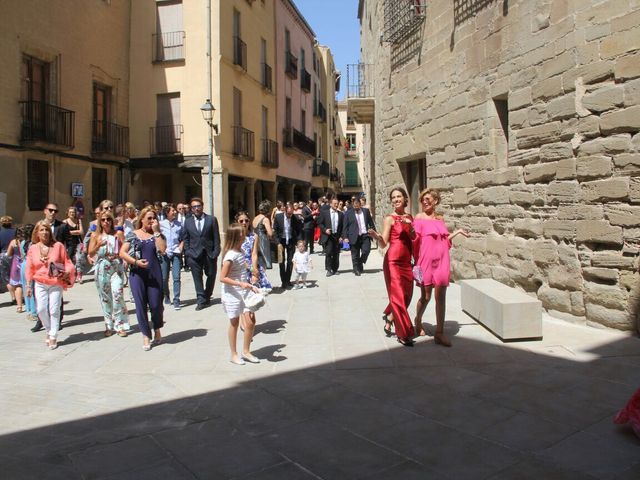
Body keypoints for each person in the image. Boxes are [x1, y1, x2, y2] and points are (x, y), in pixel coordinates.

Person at [412, 188, 468, 347]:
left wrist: (457, 232)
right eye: (423, 199)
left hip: (442, 260)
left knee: (440, 297)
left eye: (428, 199)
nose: (425, 202)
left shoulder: (440, 218)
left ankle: (439, 333)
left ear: (436, 201)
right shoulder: (419, 218)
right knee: (426, 297)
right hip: (425, 262)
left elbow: (442, 239)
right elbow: (415, 240)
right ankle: (418, 320)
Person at [368, 187, 416, 347]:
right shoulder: (390, 219)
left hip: (407, 261)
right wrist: (377, 237)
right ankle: (403, 334)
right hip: (393, 261)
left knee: (407, 295)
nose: (396, 199)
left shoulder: (410, 217)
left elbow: (415, 238)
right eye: (393, 197)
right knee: (398, 297)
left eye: (399, 196)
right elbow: (383, 244)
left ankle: (390, 318)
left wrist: (411, 227)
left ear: (405, 198)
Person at [119, 206, 166, 351]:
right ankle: (146, 334)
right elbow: (122, 252)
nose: (152, 221)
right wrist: (135, 262)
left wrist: (157, 231)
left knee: (156, 305)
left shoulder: (157, 235)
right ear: (142, 220)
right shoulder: (134, 234)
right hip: (137, 273)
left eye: (154, 218)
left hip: (154, 273)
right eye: (149, 218)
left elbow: (163, 250)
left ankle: (157, 327)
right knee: (140, 305)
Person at [25, 220, 75, 350]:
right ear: (37, 233)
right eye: (41, 230)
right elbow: (29, 268)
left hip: (55, 282)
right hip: (40, 282)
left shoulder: (58, 246)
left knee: (54, 309)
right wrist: (28, 285)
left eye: (47, 229)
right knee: (41, 309)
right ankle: (48, 329)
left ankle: (53, 334)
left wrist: (66, 272)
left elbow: (67, 262)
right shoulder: (33, 249)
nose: (45, 232)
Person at [219, 223, 261, 365]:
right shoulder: (230, 255)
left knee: (250, 322)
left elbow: (243, 266)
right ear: (236, 237)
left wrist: (252, 273)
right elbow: (222, 277)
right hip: (233, 292)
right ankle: (234, 354)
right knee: (234, 322)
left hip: (245, 290)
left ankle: (246, 351)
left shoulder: (240, 251)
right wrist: (240, 284)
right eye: (242, 234)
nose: (245, 236)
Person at [89, 211, 130, 337]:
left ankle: (120, 325)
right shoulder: (96, 235)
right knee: (105, 298)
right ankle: (108, 325)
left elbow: (126, 246)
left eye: (108, 219)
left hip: (116, 267)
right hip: (102, 268)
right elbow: (90, 252)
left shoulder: (117, 233)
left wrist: (126, 259)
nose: (106, 222)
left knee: (117, 295)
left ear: (112, 221)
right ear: (100, 222)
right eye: (103, 220)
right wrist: (98, 245)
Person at [182, 197, 221, 310]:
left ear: (202, 206)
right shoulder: (188, 221)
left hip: (209, 253)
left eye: (198, 206)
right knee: (197, 277)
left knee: (211, 274)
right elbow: (186, 238)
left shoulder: (211, 219)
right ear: (191, 209)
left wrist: (216, 252)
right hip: (194, 254)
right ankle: (200, 300)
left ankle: (207, 295)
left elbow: (216, 237)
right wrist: (188, 251)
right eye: (194, 207)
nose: (196, 208)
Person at [342, 198, 376, 276]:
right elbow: (345, 226)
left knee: (366, 250)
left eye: (357, 206)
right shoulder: (348, 213)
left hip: (365, 235)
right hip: (353, 236)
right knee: (355, 254)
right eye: (354, 206)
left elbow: (371, 223)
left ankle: (360, 262)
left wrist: (373, 232)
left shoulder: (365, 211)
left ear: (360, 205)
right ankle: (356, 269)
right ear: (353, 205)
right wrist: (345, 237)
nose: (356, 208)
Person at [160, 204, 183, 310]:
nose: (175, 212)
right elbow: (157, 238)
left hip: (176, 253)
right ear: (167, 213)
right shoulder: (161, 225)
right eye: (172, 210)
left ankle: (176, 299)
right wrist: (160, 249)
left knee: (176, 277)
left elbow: (183, 238)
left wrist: (180, 247)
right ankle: (166, 295)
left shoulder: (179, 225)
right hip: (165, 253)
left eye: (175, 210)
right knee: (164, 278)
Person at [273, 205, 302, 289]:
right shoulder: (278, 217)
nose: (290, 215)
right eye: (288, 214)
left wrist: (298, 241)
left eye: (291, 214)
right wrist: (277, 242)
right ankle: (283, 282)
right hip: (280, 242)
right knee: (281, 262)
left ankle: (288, 280)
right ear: (285, 211)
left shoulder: (295, 218)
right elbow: (275, 230)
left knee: (290, 262)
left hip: (291, 241)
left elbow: (299, 230)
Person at [317, 197, 344, 276]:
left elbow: (342, 227)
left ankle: (335, 269)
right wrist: (325, 230)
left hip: (337, 236)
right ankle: (328, 269)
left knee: (336, 253)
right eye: (334, 203)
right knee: (328, 252)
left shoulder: (341, 214)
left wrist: (342, 236)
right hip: (328, 236)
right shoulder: (324, 213)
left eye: (337, 203)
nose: (336, 205)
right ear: (331, 204)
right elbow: (320, 223)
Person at [19, 224, 38, 322]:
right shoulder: (34, 243)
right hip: (31, 265)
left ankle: (29, 310)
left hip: (23, 264)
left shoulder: (22, 243)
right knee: (33, 288)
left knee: (25, 287)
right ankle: (34, 312)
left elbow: (22, 255)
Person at [6, 229, 25, 312]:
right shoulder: (27, 241)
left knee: (18, 286)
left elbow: (9, 253)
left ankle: (19, 306)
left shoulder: (14, 242)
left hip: (16, 264)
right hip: (25, 263)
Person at [253, 200, 274, 270]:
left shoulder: (255, 218)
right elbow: (270, 233)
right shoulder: (265, 219)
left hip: (255, 239)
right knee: (264, 262)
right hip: (263, 241)